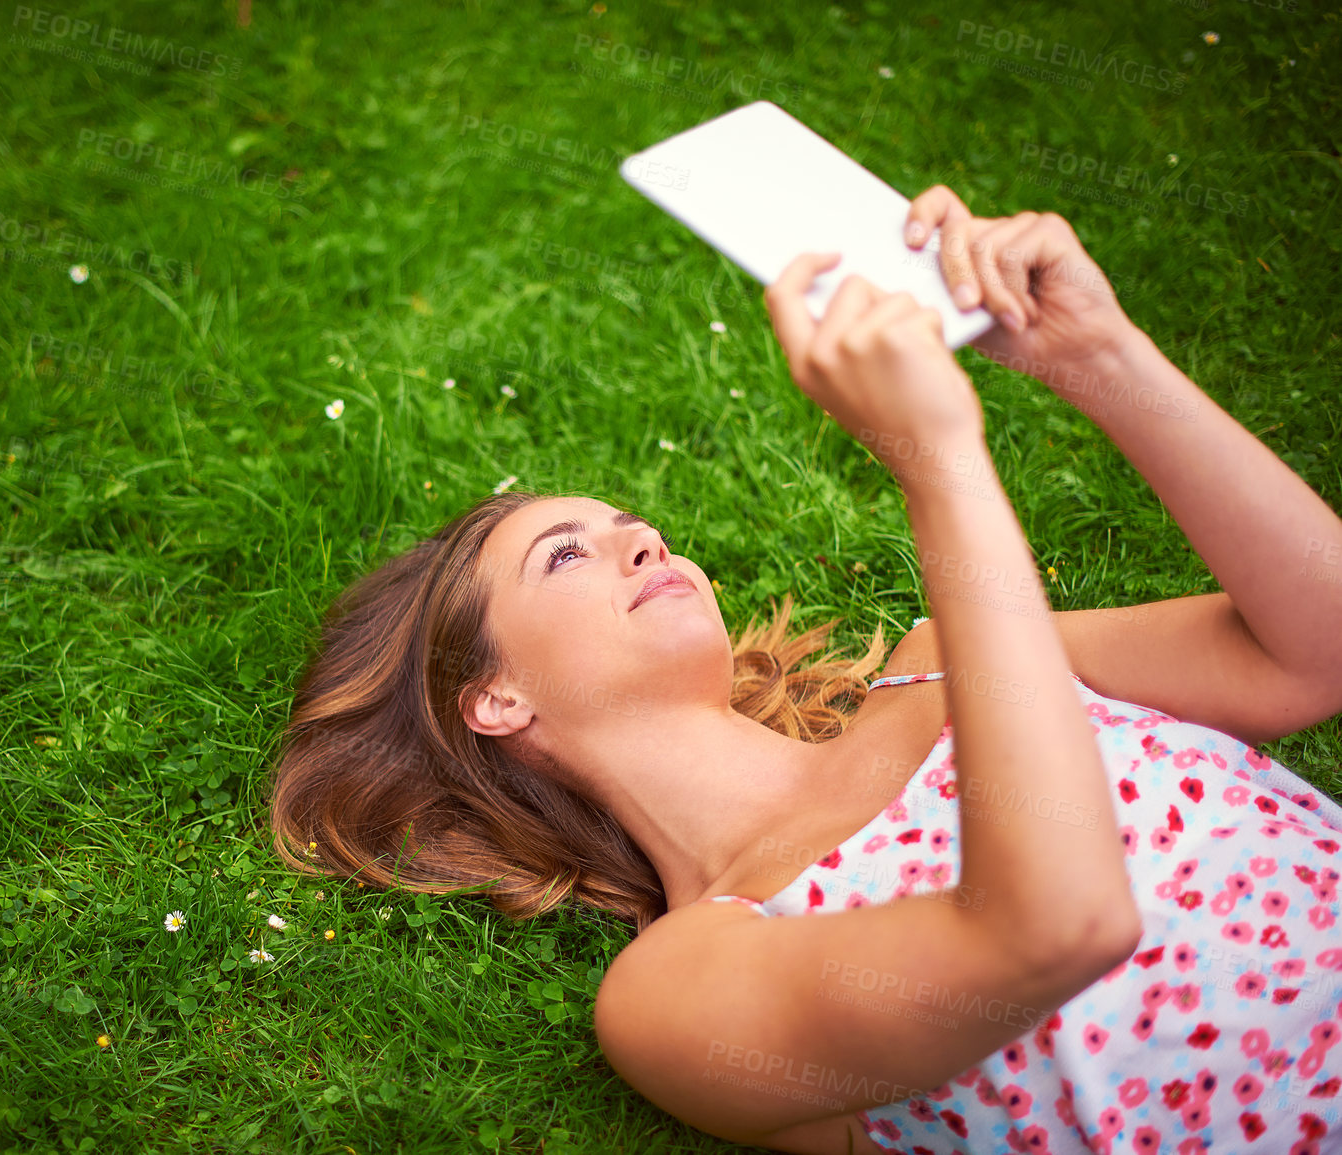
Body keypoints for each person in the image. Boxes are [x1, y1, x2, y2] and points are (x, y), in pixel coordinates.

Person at [264, 185, 1342, 1154]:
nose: (644, 542)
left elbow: (1313, 653)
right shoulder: (671, 993)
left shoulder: (940, 666)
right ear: (496, 699)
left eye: (631, 526)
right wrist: (937, 459)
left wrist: (1101, 357)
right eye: (566, 555)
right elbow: (1055, 928)